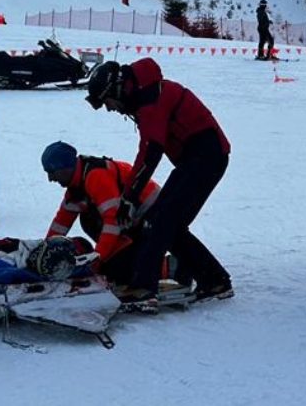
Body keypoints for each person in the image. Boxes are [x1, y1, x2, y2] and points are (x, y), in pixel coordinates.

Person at [85, 59, 232, 312]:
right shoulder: (145, 93)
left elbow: (150, 152)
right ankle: (215, 281)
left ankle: (143, 289)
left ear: (117, 89)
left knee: (161, 221)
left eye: (107, 102)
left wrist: (128, 197)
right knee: (167, 223)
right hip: (197, 158)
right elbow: (149, 150)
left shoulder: (150, 100)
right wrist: (128, 197)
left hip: (206, 156)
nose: (110, 109)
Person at [40, 141, 188, 287]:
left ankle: (172, 267)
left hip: (152, 216)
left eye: (51, 172)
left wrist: (97, 259)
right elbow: (61, 223)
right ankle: (128, 258)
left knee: (117, 271)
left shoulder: (96, 176)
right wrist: (43, 252)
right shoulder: (76, 185)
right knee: (91, 225)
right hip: (133, 220)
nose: (51, 179)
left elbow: (113, 222)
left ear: (65, 167)